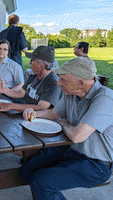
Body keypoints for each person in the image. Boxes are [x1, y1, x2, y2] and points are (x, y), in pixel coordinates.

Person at [20, 56, 113, 200]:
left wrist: (63, 123)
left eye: (63, 79)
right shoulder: (71, 91)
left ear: (81, 82)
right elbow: (53, 113)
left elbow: (77, 136)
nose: (58, 83)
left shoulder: (105, 99)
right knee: (26, 171)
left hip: (96, 164)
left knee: (41, 181)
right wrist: (34, 113)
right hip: (70, 149)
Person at [0, 46, 62, 113]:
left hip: (39, 120)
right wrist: (5, 90)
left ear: (43, 63)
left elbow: (41, 107)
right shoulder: (34, 75)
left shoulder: (53, 82)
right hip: (25, 114)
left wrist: (12, 106)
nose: (29, 63)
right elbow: (21, 93)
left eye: (32, 60)